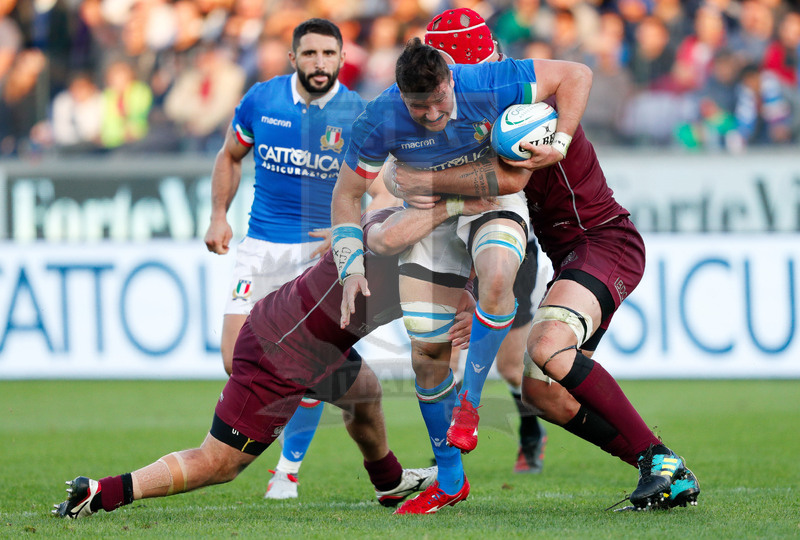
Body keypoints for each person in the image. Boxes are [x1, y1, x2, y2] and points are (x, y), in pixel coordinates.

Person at [389, 9, 701, 511]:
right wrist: (474, 287)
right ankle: (663, 467)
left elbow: (571, 82)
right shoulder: (478, 108)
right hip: (568, 253)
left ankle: (659, 462)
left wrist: (558, 140)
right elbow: (491, 213)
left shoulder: (520, 103)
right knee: (542, 393)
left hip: (604, 242)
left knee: (547, 346)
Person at [53, 197, 494, 520]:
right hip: (280, 348)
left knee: (364, 393)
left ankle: (388, 482)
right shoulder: (396, 231)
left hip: (320, 346)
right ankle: (102, 492)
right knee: (219, 463)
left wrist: (468, 297)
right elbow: (388, 236)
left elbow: (459, 277)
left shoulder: (431, 248)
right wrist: (455, 207)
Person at [332, 35, 592, 514]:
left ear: (451, 80)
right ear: (400, 96)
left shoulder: (488, 82)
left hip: (489, 204)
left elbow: (576, 74)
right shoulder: (378, 118)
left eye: (439, 101)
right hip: (430, 219)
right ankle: (451, 481)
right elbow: (346, 195)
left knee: (497, 275)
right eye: (419, 108)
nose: (433, 115)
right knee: (427, 354)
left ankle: (469, 404)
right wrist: (349, 267)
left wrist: (561, 142)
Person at [203, 19, 397, 500]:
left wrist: (348, 228)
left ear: (342, 58)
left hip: (318, 258)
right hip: (262, 248)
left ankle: (286, 471)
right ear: (293, 58)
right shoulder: (262, 100)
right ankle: (333, 414)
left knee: (303, 360)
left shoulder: (357, 114)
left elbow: (384, 193)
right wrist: (218, 215)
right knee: (233, 358)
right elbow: (230, 156)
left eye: (329, 54)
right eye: (310, 54)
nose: (319, 63)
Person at [424, 8, 549, 474]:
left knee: (512, 365)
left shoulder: (509, 90)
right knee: (446, 353)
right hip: (451, 235)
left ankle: (530, 432)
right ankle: (449, 455)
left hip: (502, 229)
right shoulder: (423, 99)